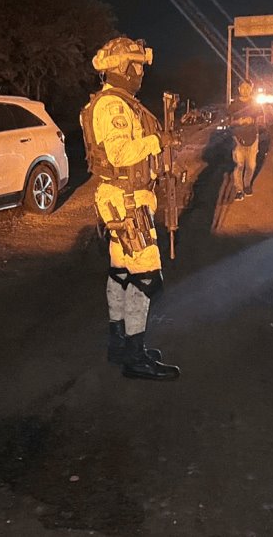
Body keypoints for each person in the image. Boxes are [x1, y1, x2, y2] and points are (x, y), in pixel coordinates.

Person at [79, 35, 181, 381]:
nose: (140, 72)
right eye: (136, 65)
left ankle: (120, 343)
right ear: (122, 68)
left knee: (121, 272)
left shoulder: (117, 102)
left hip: (122, 198)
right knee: (146, 277)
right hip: (127, 202)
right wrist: (158, 141)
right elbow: (121, 154)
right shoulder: (112, 107)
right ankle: (135, 356)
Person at [228, 80, 263, 200]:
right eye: (242, 87)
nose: (245, 90)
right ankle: (239, 189)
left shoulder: (255, 104)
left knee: (251, 165)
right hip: (237, 139)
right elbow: (229, 122)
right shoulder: (233, 105)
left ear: (251, 89)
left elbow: (262, 120)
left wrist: (252, 121)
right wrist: (239, 121)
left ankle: (247, 185)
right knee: (239, 165)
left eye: (248, 87)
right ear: (238, 89)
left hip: (253, 138)